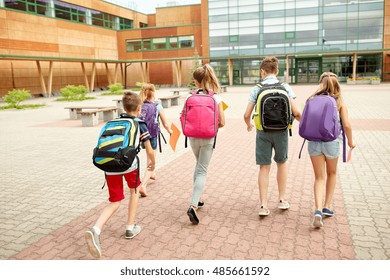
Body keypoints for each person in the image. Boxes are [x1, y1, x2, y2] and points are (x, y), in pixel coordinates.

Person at [85, 91, 155, 258]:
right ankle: (130, 228)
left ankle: (96, 229)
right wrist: (152, 163)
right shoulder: (139, 123)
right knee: (135, 191)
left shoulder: (112, 123)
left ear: (123, 107)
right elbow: (150, 150)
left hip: (109, 166)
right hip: (129, 165)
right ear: (139, 108)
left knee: (115, 201)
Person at [243, 56, 301, 217]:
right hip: (282, 132)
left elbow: (246, 114)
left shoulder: (257, 88)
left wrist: (249, 125)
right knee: (282, 163)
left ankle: (263, 205)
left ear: (262, 71)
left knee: (264, 167)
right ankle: (282, 200)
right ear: (276, 71)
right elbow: (296, 113)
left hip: (263, 132)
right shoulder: (285, 87)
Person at [307, 72, 356, 228]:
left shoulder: (312, 99)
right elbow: (347, 125)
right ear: (337, 85)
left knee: (319, 177)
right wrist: (351, 142)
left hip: (314, 142)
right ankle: (327, 205)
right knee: (331, 173)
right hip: (332, 142)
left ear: (321, 84)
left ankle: (317, 210)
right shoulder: (339, 102)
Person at [185, 64, 225, 224]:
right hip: (208, 137)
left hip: (192, 137)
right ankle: (193, 205)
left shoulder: (190, 97)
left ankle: (198, 198)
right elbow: (222, 121)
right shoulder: (215, 97)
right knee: (202, 170)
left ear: (197, 81)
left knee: (198, 166)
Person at [138, 83, 173, 197]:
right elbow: (165, 123)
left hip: (141, 136)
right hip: (152, 136)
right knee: (151, 161)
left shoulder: (139, 105)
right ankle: (143, 185)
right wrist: (170, 131)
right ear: (153, 92)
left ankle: (152, 174)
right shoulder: (157, 105)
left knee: (149, 157)